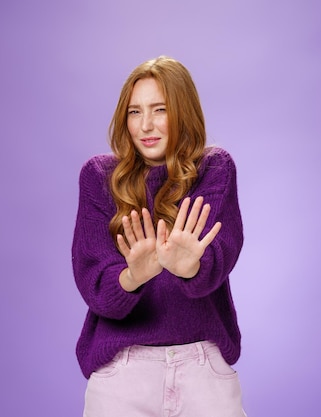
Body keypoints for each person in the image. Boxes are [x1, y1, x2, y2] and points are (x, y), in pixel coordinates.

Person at [72, 55, 246, 417]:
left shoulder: (215, 169)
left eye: (160, 109)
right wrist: (134, 276)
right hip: (123, 376)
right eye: (135, 112)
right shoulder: (99, 178)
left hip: (203, 373)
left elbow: (217, 261)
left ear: (183, 112)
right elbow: (97, 289)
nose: (146, 125)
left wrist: (189, 268)